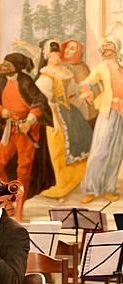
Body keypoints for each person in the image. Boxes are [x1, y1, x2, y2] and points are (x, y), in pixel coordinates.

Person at [0, 52, 55, 222]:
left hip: (27, 131)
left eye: (8, 64)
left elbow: (40, 102)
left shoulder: (26, 81)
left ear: (16, 67)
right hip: (9, 129)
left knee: (23, 171)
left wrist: (30, 120)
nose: (3, 66)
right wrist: (3, 111)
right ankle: (8, 202)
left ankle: (19, 211)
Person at [35, 40, 93, 199]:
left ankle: (74, 182)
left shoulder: (65, 71)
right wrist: (52, 113)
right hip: (53, 113)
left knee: (83, 140)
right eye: (53, 53)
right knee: (58, 148)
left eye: (57, 52)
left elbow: (72, 92)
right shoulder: (46, 74)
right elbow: (42, 98)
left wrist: (83, 95)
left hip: (70, 112)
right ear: (47, 55)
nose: (56, 55)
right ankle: (59, 187)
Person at [80, 37, 123, 204]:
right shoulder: (100, 68)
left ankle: (109, 188)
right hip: (108, 111)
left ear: (116, 48)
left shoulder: (121, 67)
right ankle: (91, 188)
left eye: (109, 45)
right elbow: (87, 83)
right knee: (100, 150)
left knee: (116, 152)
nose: (106, 48)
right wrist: (88, 92)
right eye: (104, 46)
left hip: (121, 113)